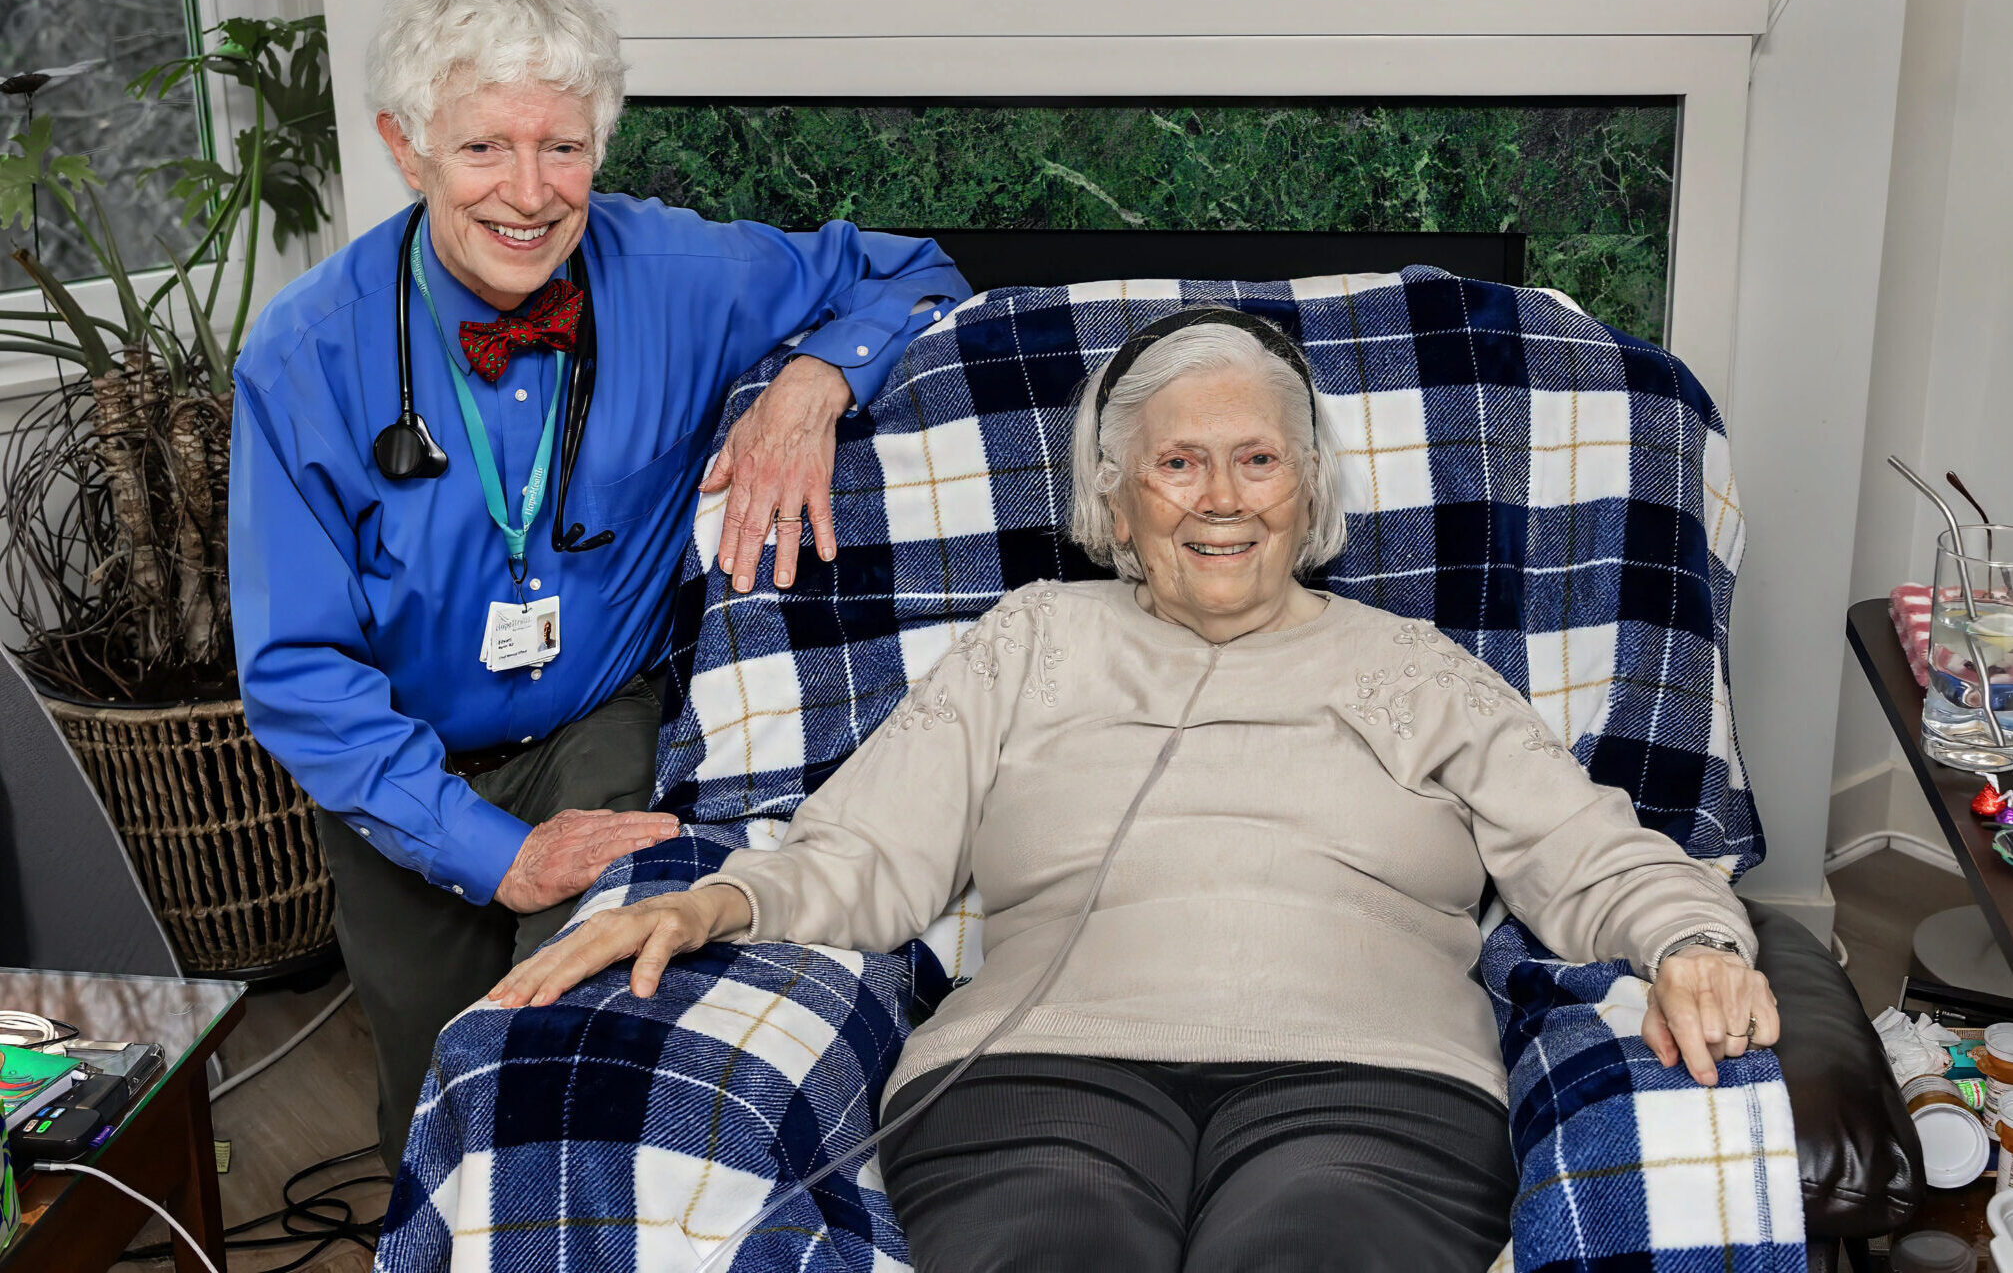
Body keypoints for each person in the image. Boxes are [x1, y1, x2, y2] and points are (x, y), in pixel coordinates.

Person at [490, 311, 1778, 1272]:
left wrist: (1695, 940)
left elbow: (1594, 852)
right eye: (1178, 465)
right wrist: (710, 905)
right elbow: (859, 852)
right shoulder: (1033, 637)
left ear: (1311, 489)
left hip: (1375, 1086)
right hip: (1037, 1079)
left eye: (1258, 461)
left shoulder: (1413, 667)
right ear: (1112, 497)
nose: (1222, 500)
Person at [229, 0, 969, 1169]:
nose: (530, 194)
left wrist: (810, 384)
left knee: (562, 1064)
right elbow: (301, 671)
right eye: (483, 150)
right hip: (393, 767)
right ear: (404, 149)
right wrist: (491, 851)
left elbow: (908, 265)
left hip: (599, 718)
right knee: (429, 1110)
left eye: (563, 148)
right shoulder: (303, 353)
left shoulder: (678, 272)